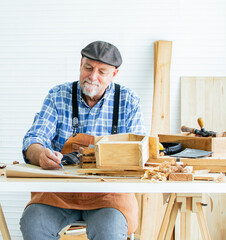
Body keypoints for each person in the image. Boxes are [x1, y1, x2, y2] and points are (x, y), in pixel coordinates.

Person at [20, 41, 146, 240]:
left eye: (102, 71)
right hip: (59, 192)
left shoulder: (128, 101)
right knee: (34, 222)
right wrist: (40, 154)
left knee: (109, 230)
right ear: (80, 64)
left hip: (108, 196)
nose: (92, 76)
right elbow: (33, 139)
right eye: (88, 68)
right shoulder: (58, 96)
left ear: (114, 74)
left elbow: (138, 153)